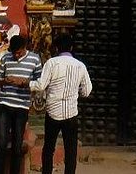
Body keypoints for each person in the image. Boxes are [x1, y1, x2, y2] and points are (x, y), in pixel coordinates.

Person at [31, 33, 92, 174]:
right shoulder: (80, 65)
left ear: (57, 48)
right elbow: (87, 90)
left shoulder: (51, 63)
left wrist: (26, 84)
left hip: (53, 112)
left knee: (48, 148)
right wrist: (77, 93)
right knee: (71, 149)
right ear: (71, 47)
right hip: (71, 113)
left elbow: (40, 86)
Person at [0, 34, 42, 174]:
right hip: (4, 102)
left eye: (18, 52)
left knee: (17, 144)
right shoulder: (6, 58)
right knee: (1, 143)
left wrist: (24, 82)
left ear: (24, 48)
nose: (16, 55)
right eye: (13, 52)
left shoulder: (35, 59)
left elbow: (40, 83)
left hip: (22, 105)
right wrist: (5, 81)